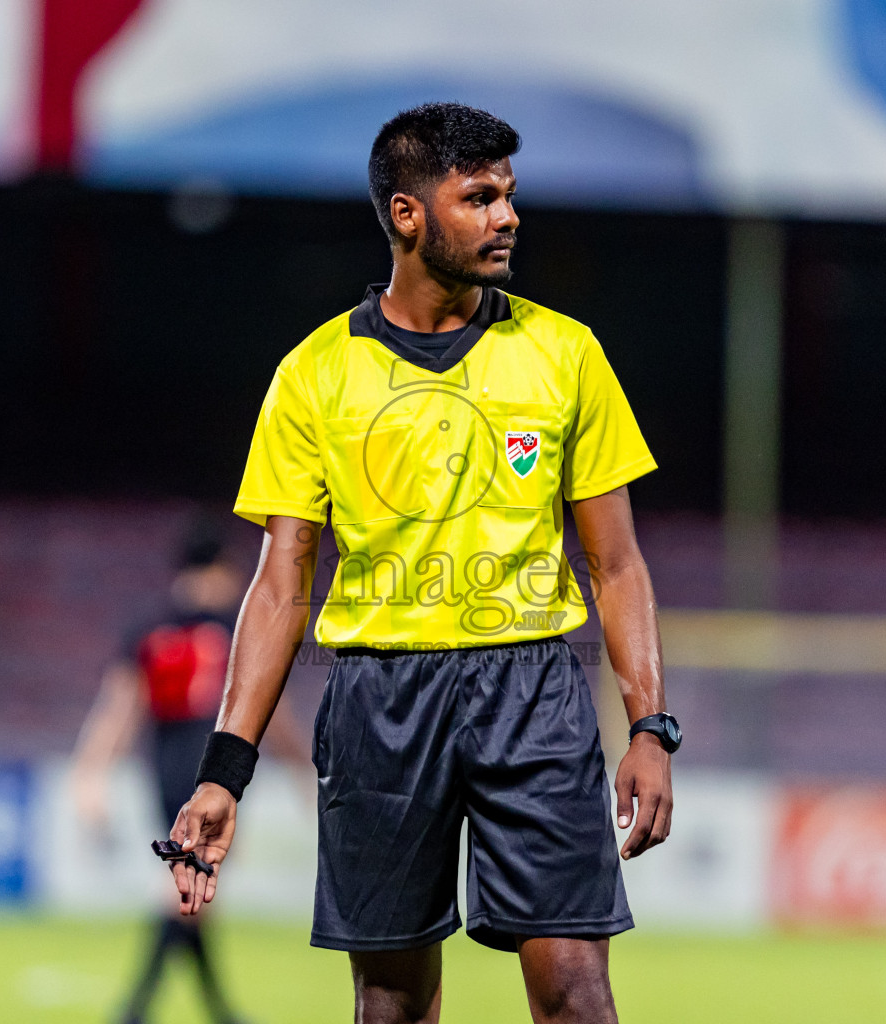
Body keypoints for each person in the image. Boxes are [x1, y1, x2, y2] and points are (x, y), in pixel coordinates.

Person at [169, 103, 680, 1024]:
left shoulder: (567, 355)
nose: (507, 216)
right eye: (478, 196)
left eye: (508, 196)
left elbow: (619, 567)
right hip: (378, 697)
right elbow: (282, 584)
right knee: (391, 1005)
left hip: (534, 693)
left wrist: (651, 726)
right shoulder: (316, 374)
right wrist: (224, 768)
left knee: (575, 989)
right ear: (409, 215)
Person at [73, 521, 287, 1024]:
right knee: (190, 890)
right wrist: (303, 765)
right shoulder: (230, 630)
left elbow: (118, 709)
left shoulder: (148, 629)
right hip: (212, 769)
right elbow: (265, 707)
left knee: (192, 891)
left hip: (162, 769)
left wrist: (90, 772)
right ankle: (137, 1008)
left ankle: (214, 1010)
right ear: (217, 570)